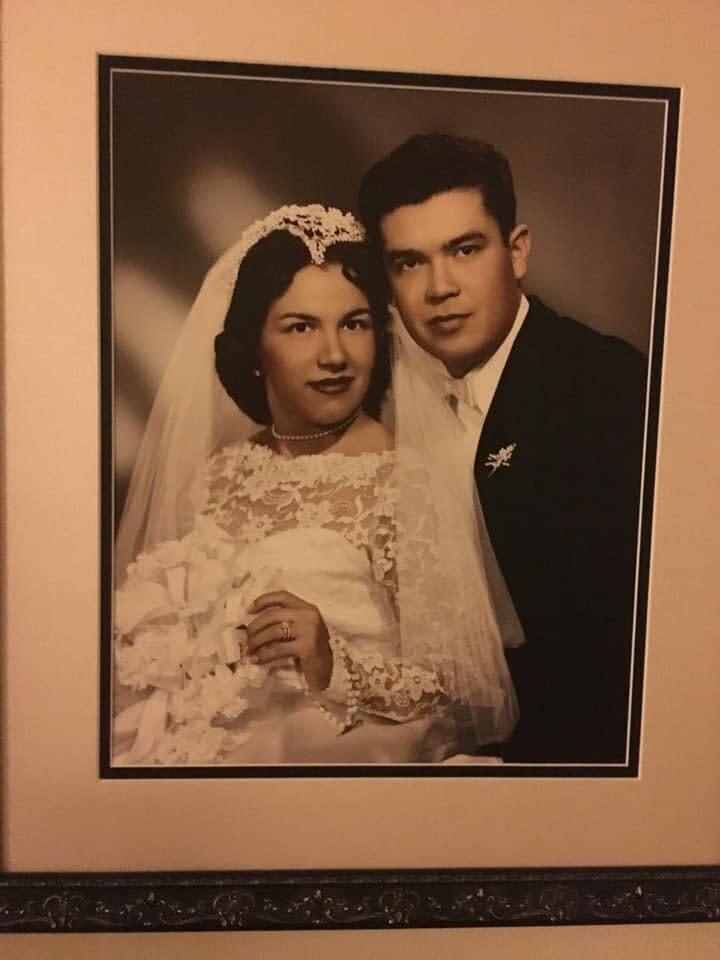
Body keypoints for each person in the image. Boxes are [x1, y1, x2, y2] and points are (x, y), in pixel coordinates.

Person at [112, 204, 518, 766]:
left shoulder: (406, 479)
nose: (334, 355)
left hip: (347, 751)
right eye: (301, 327)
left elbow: (458, 687)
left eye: (354, 323)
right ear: (254, 347)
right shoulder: (219, 475)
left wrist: (334, 664)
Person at [358, 134, 647, 764]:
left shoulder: (607, 389)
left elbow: (628, 655)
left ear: (517, 252)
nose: (440, 287)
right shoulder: (388, 401)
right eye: (409, 262)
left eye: (464, 250)